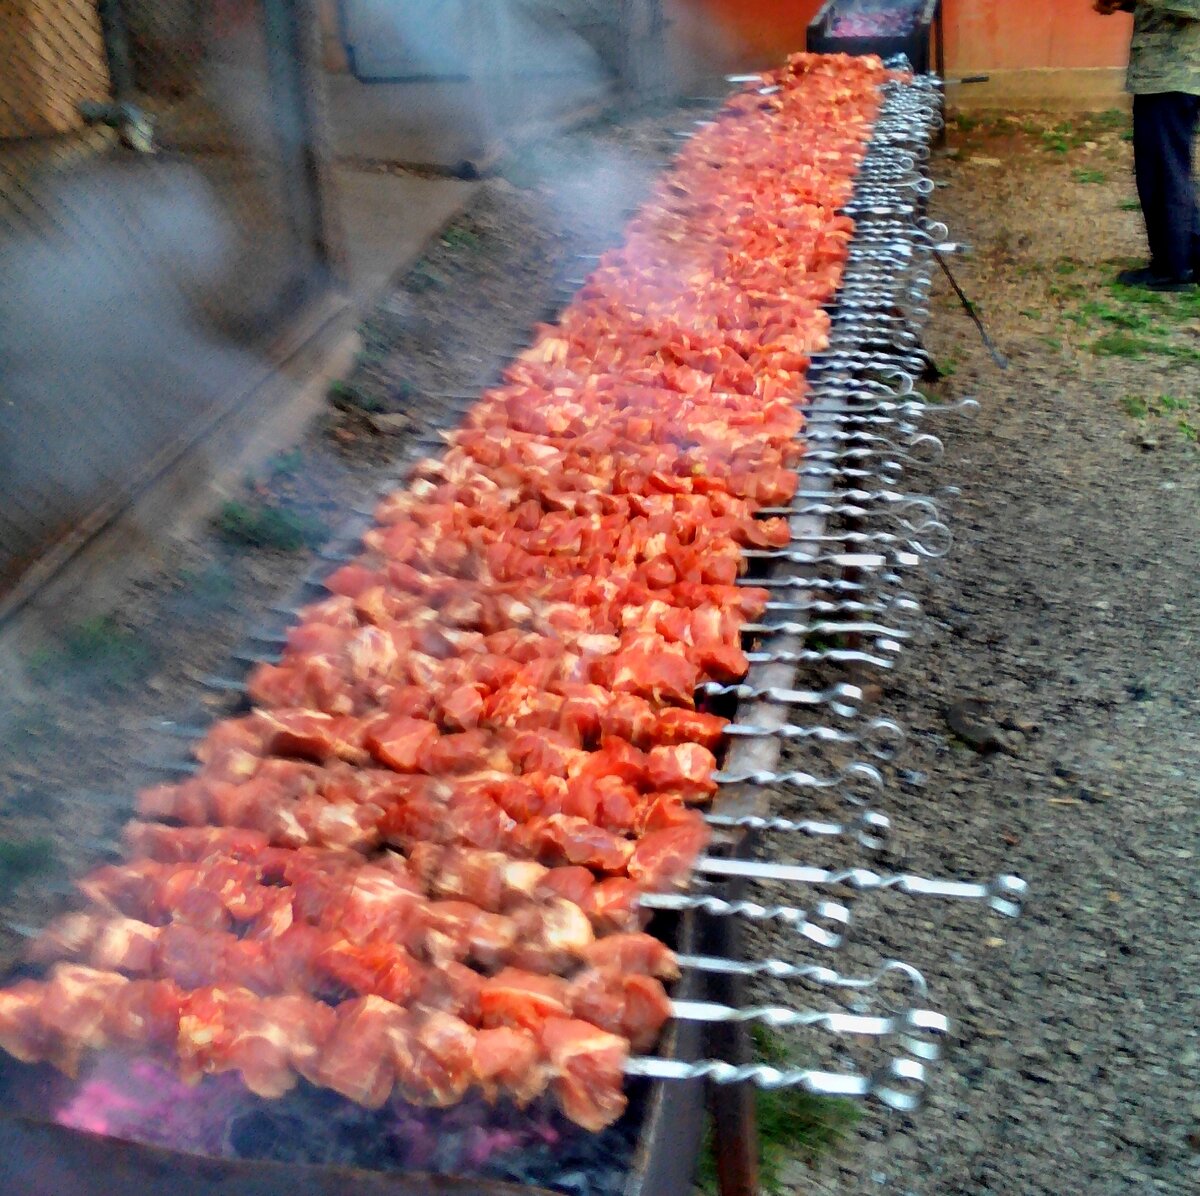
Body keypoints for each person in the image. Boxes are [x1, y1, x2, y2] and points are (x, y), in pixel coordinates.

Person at [1096, 0, 1200, 290]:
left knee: (1162, 173)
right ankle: (1189, 256)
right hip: (1168, 74)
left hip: (1173, 75)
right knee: (1169, 169)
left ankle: (1172, 267)